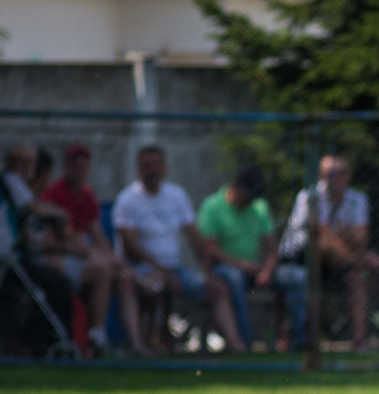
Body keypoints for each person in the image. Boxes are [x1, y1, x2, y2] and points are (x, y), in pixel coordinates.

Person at [111, 145, 246, 352]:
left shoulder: (177, 195)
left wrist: (206, 273)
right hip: (142, 269)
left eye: (156, 165)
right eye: (147, 166)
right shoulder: (127, 199)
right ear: (138, 169)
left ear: (165, 168)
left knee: (217, 288)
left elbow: (195, 238)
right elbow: (131, 248)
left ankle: (237, 345)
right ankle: (139, 345)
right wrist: (163, 272)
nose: (152, 171)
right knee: (152, 285)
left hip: (175, 269)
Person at [277, 154, 379, 351]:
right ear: (321, 176)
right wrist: (356, 253)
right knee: (322, 253)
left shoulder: (357, 199)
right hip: (299, 260)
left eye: (341, 173)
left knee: (356, 280)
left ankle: (359, 340)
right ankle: (303, 341)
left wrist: (341, 239)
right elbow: (323, 240)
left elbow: (361, 238)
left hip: (337, 262)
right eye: (330, 174)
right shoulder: (309, 197)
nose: (336, 178)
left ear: (348, 176)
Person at [41, 144, 149, 355]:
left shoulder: (86, 195)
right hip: (61, 258)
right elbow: (53, 241)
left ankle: (135, 344)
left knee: (124, 277)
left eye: (84, 166)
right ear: (66, 166)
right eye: (75, 165)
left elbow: (98, 237)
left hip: (84, 256)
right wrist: (90, 252)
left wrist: (114, 259)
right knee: (101, 268)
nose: (79, 170)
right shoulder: (53, 194)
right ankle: (96, 336)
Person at [0, 145, 74, 353]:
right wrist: (60, 215)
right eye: (28, 162)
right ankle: (56, 341)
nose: (32, 168)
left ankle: (42, 341)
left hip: (8, 257)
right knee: (56, 283)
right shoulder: (10, 181)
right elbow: (34, 209)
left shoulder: (15, 187)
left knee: (45, 283)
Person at [197, 164, 302, 349]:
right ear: (237, 186)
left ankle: (299, 340)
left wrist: (267, 271)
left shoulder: (259, 207)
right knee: (234, 277)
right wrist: (242, 265)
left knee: (297, 277)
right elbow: (210, 250)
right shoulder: (212, 206)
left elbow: (272, 247)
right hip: (225, 271)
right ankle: (244, 339)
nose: (250, 201)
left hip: (256, 271)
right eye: (248, 195)